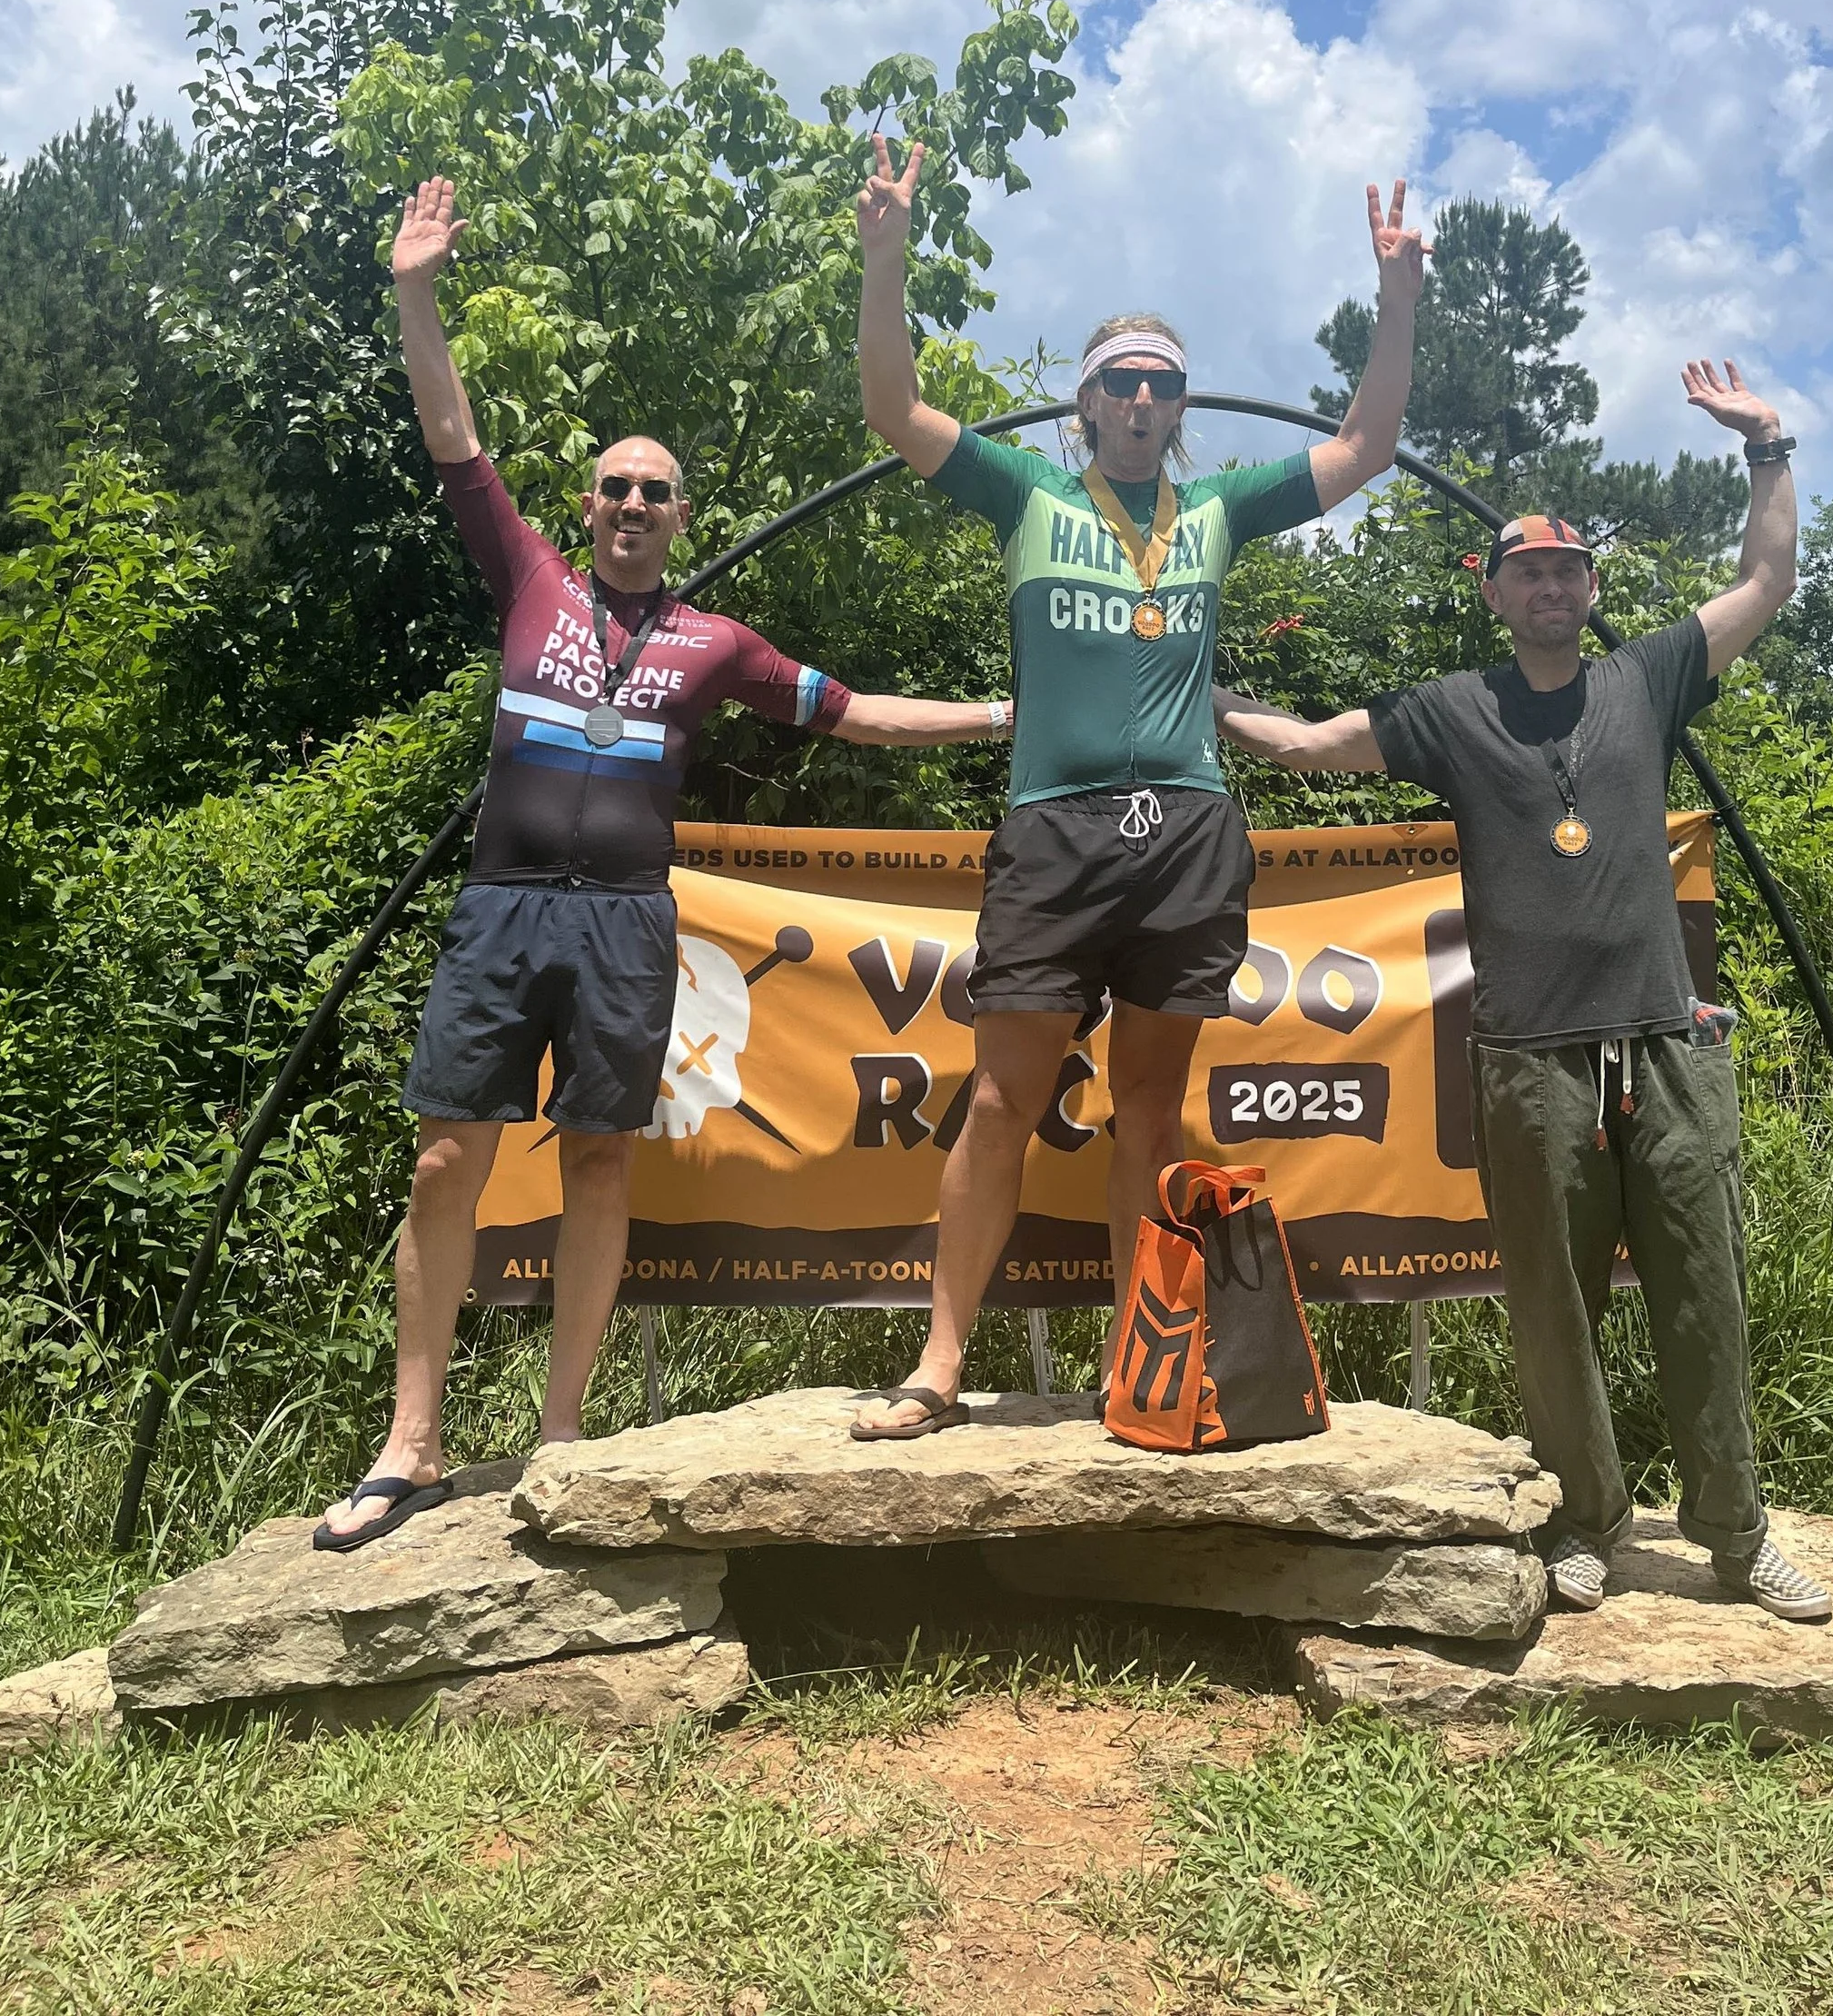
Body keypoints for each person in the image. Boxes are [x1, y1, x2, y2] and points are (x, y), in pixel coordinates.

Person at [316, 176, 1014, 1550]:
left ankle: (562, 1434)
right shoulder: (531, 579)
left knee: (597, 1167)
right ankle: (411, 1443)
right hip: (502, 910)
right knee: (444, 1167)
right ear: (588, 506)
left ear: (683, 517)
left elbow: (856, 711)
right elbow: (451, 434)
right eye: (616, 487)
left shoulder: (714, 643)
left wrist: (1003, 712)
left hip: (629, 924)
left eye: (658, 491)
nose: (634, 504)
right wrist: (415, 287)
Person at [1214, 360, 1830, 1624]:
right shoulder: (1454, 711)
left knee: (1704, 1298)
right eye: (1527, 571)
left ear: (1590, 590)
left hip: (1663, 1046)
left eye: (1568, 570)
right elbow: (1321, 745)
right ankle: (1590, 1522)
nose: (1551, 586)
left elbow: (1767, 581)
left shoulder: (1646, 677)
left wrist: (1767, 446)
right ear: (1494, 593)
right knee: (1550, 1312)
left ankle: (1734, 1533)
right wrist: (1201, 693)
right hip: (1529, 1058)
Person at [849, 135, 1426, 1438]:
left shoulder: (1219, 510)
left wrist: (1396, 301)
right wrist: (884, 260)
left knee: (1151, 1107)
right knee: (1001, 1096)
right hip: (1053, 829)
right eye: (1121, 382)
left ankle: (1139, 1362)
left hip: (1188, 833)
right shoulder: (1025, 496)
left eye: (1165, 384)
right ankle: (939, 1366)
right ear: (1087, 404)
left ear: (1181, 408)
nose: (1143, 400)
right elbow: (894, 407)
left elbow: (1371, 441)